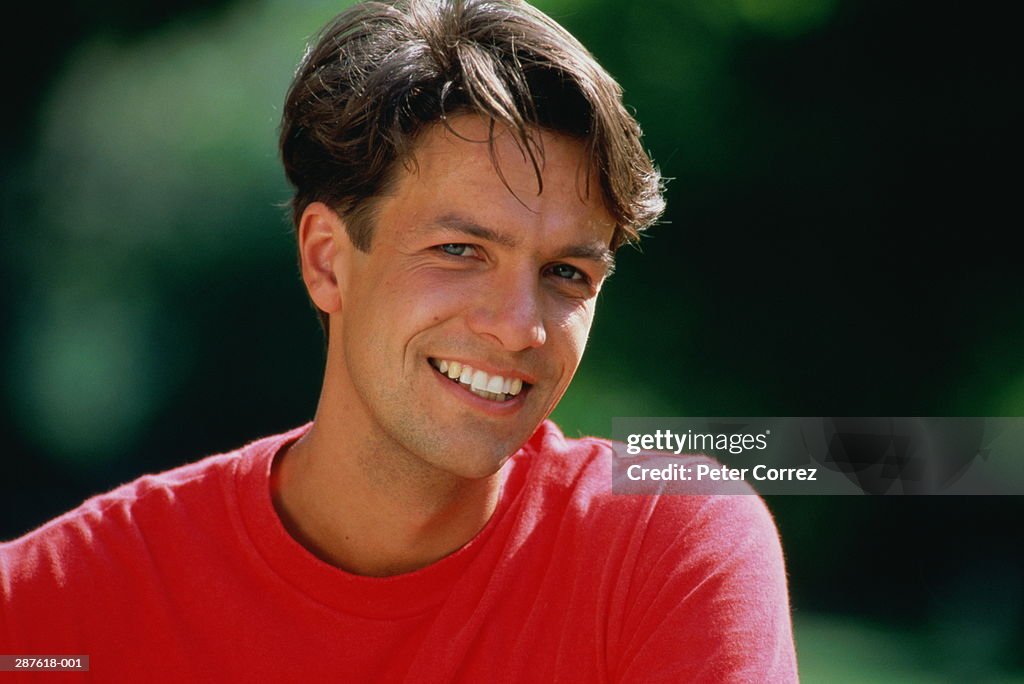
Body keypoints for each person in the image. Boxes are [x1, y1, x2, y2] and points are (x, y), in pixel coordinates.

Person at [0, 0, 797, 680]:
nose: (519, 326)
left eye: (566, 274)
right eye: (459, 252)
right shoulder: (63, 606)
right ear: (327, 262)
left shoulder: (666, 550)